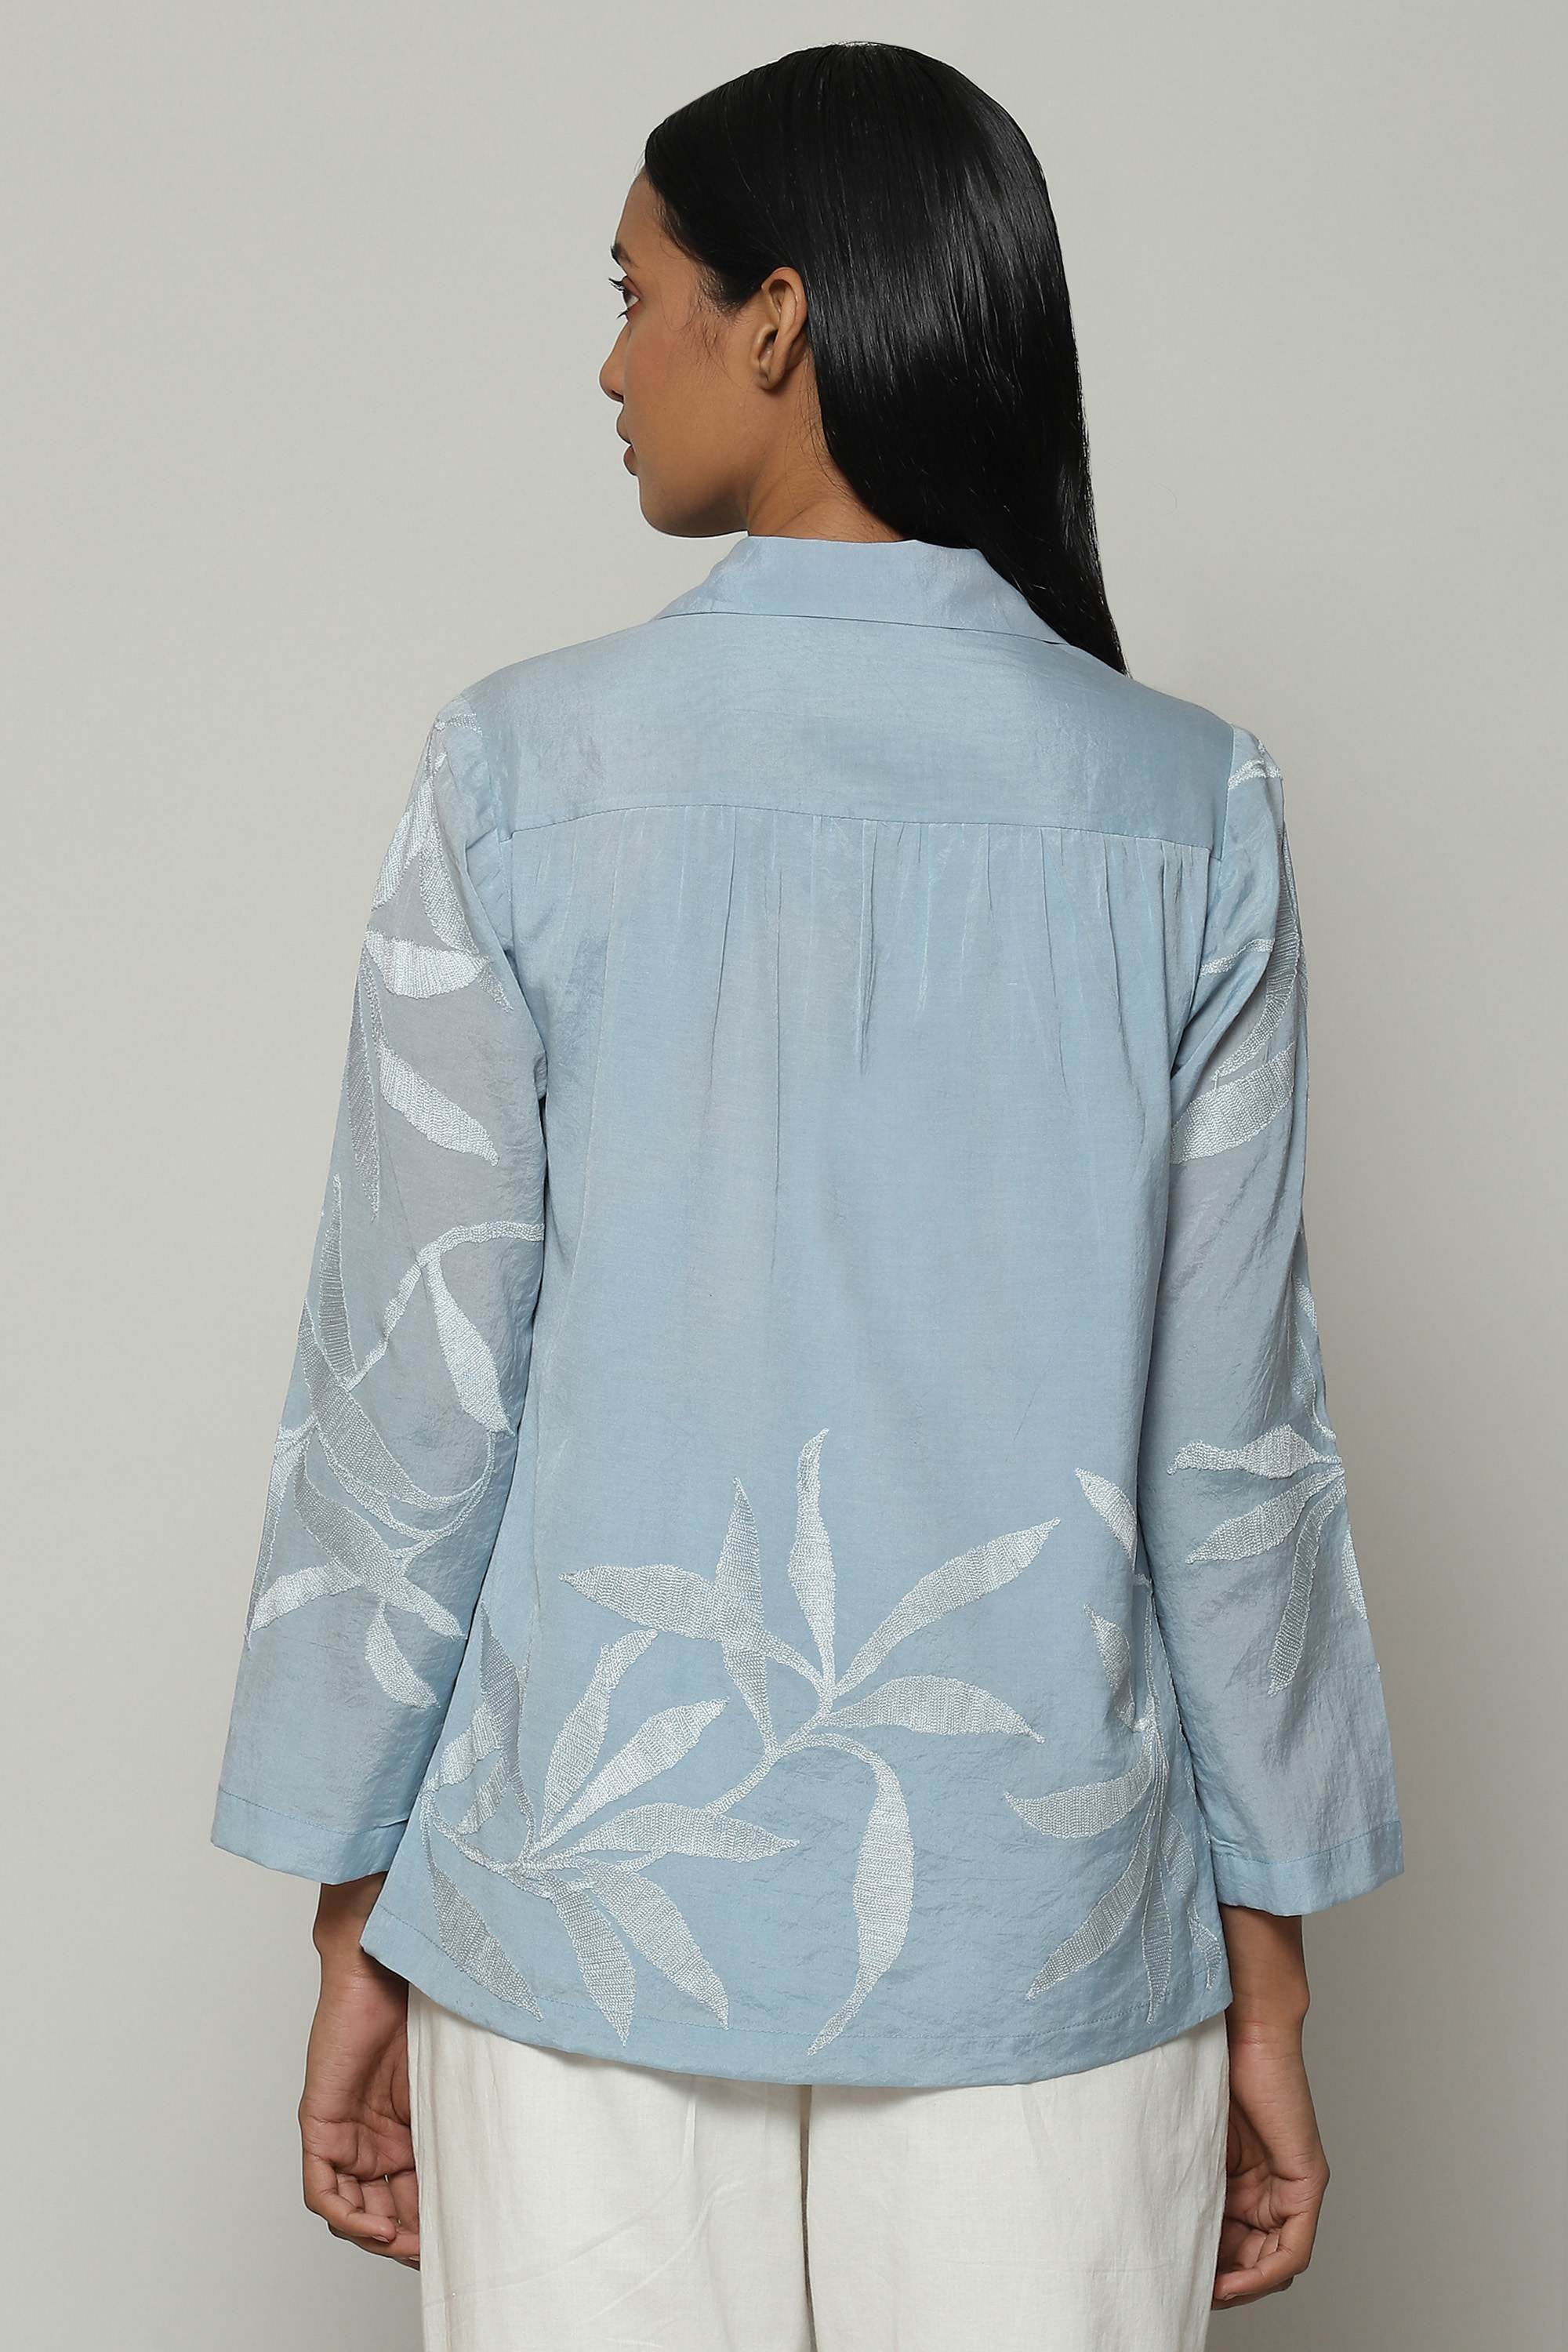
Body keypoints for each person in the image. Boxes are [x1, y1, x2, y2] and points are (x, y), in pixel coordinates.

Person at [211, 39, 1403, 2352]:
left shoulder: (519, 774)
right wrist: (1268, 1973)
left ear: (776, 319)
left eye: (631, 292)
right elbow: (1237, 1462)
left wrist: (357, 1909)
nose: (608, 362)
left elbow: (411, 1400)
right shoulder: (1191, 810)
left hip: (578, 1913)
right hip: (1054, 1930)